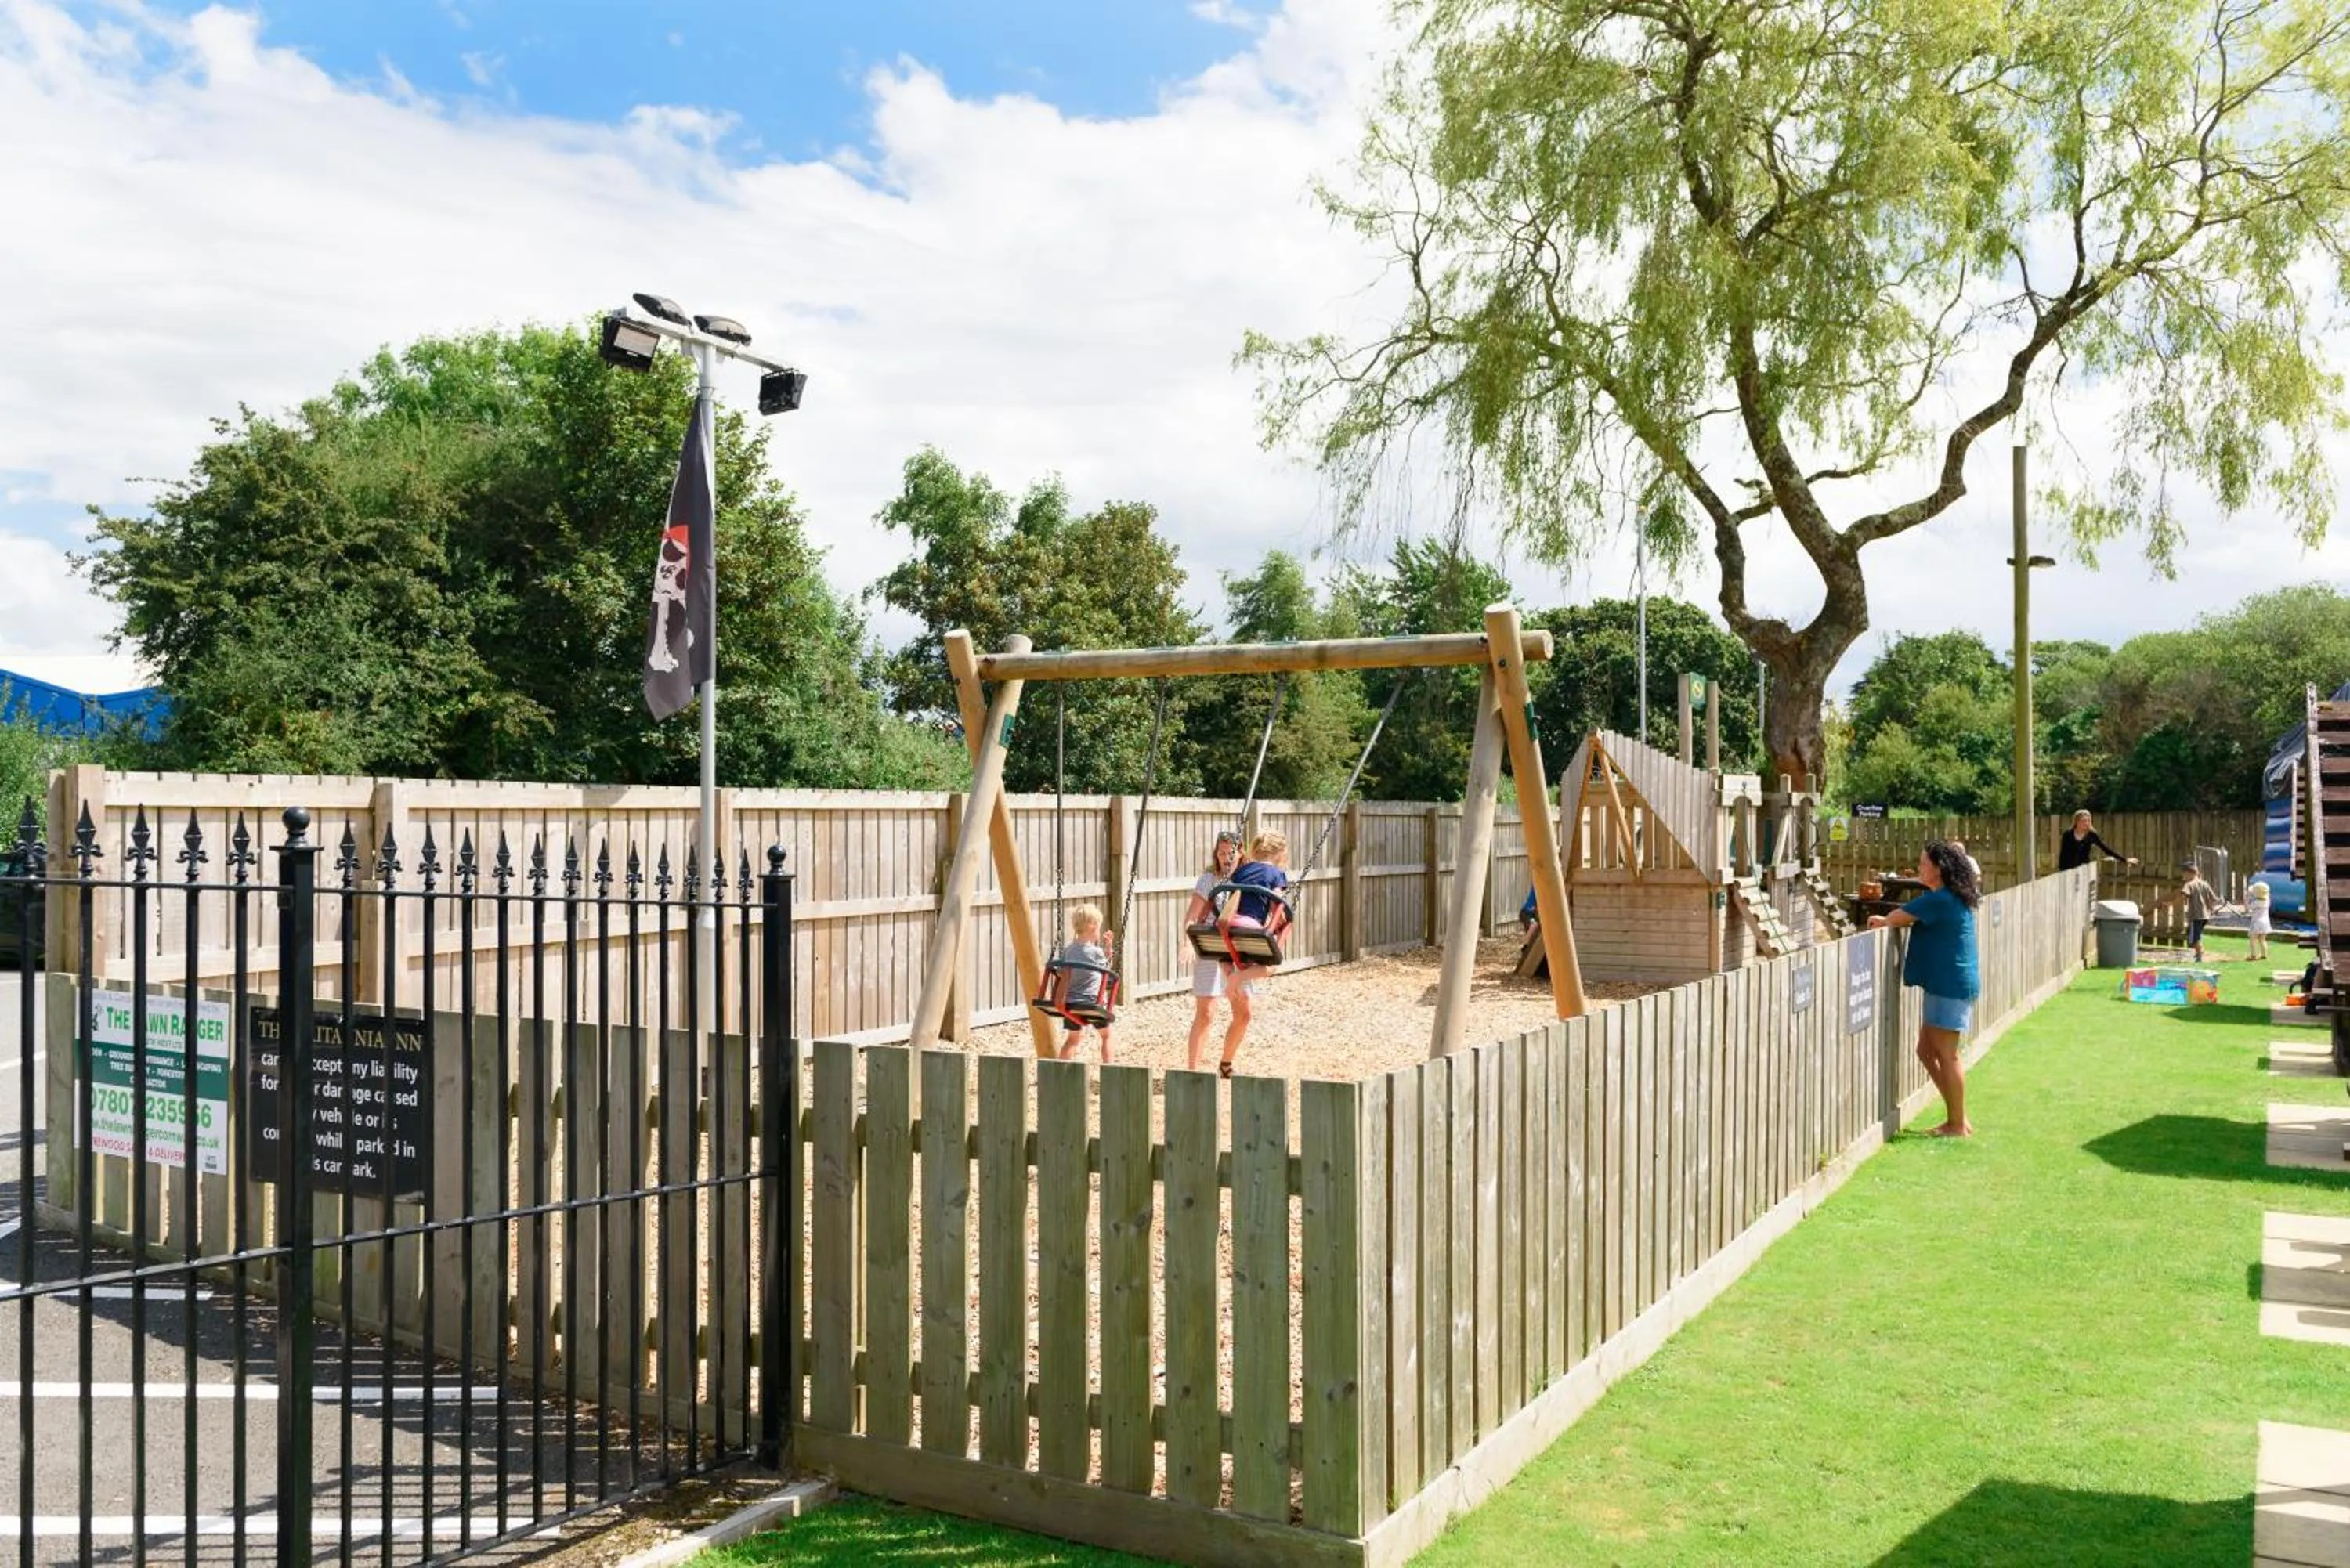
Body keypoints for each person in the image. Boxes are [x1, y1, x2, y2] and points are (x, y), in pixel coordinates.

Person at [1867, 840, 1981, 1137]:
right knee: (1926, 1050)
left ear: (1938, 868)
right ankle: (1958, 1118)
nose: (1919, 868)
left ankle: (1957, 1124)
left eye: (1922, 863)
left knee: (1947, 1055)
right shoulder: (1949, 897)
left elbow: (1896, 917)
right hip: (1947, 982)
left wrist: (1883, 920)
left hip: (1949, 984)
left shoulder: (1940, 900)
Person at [1213, 830, 1292, 1078]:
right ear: (1279, 855)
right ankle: (1236, 977)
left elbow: (1229, 893)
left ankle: (1230, 971)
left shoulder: (1242, 868)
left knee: (1243, 1013)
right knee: (1271, 967)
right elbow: (1276, 903)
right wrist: (1280, 924)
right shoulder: (1276, 873)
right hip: (1249, 928)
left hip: (1227, 928)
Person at [1183, 831, 1245, 1071]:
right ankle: (1192, 1069)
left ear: (1240, 853)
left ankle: (1226, 1062)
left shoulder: (1246, 878)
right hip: (1210, 945)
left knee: (1244, 1012)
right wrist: (1188, 942)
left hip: (1237, 948)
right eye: (1221, 853)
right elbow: (1192, 917)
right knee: (1206, 1011)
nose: (1225, 858)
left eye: (1231, 853)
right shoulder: (1209, 879)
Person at [1052, 904, 1115, 1064]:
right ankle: (1110, 1069)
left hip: (1071, 1004)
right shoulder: (1096, 952)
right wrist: (1109, 950)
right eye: (1099, 928)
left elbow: (1060, 973)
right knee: (1106, 1036)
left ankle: (1060, 1071)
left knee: (1073, 1039)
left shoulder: (1068, 950)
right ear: (1092, 927)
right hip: (1092, 1003)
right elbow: (1106, 972)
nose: (1099, 932)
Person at [2055, 810, 2136, 872]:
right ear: (2077, 821)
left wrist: (2125, 860)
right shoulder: (2068, 834)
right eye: (2083, 821)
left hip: (2084, 869)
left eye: (2088, 821)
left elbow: (2106, 849)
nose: (2086, 823)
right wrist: (2063, 870)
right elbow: (2063, 854)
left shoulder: (2092, 834)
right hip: (2068, 870)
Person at [2177, 862, 2220, 963]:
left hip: (2196, 915)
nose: (2183, 876)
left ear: (2189, 873)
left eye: (2183, 874)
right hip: (2205, 916)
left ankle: (2200, 955)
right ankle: (2199, 951)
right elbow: (2214, 898)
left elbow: (2183, 897)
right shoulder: (2204, 884)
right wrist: (2211, 908)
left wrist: (2172, 903)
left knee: (2194, 938)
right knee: (2195, 934)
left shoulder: (2189, 884)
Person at [2247, 877, 2273, 963]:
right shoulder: (2267, 901)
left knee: (2253, 938)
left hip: (2257, 922)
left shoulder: (2256, 902)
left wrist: (2247, 899)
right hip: (2265, 922)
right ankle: (2264, 955)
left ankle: (2253, 955)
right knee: (2262, 939)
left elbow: (2249, 907)